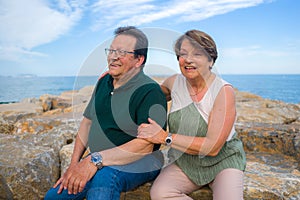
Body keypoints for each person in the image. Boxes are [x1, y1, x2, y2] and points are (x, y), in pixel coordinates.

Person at [44, 26, 167, 200]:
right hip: (100, 157)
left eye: (122, 52)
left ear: (139, 60)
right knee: (53, 197)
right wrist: (74, 165)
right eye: (111, 50)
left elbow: (145, 145)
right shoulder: (104, 82)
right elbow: (87, 123)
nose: (113, 56)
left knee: (104, 179)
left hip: (142, 161)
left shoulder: (149, 91)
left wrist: (94, 160)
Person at [137, 29, 246, 200]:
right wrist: (126, 76)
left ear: (211, 60)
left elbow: (212, 148)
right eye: (183, 54)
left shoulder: (223, 91)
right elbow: (150, 96)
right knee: (160, 193)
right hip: (185, 161)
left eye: (197, 54)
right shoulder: (174, 82)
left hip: (223, 162)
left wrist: (165, 137)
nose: (188, 59)